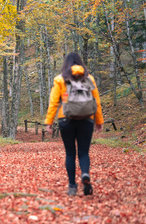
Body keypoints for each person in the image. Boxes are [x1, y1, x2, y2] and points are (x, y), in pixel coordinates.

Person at [45, 52, 104, 196]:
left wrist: (49, 122)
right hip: (87, 119)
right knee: (84, 152)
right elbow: (96, 100)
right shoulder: (89, 78)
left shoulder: (60, 79)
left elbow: (54, 102)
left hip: (66, 119)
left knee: (70, 153)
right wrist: (98, 121)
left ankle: (72, 186)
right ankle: (85, 174)